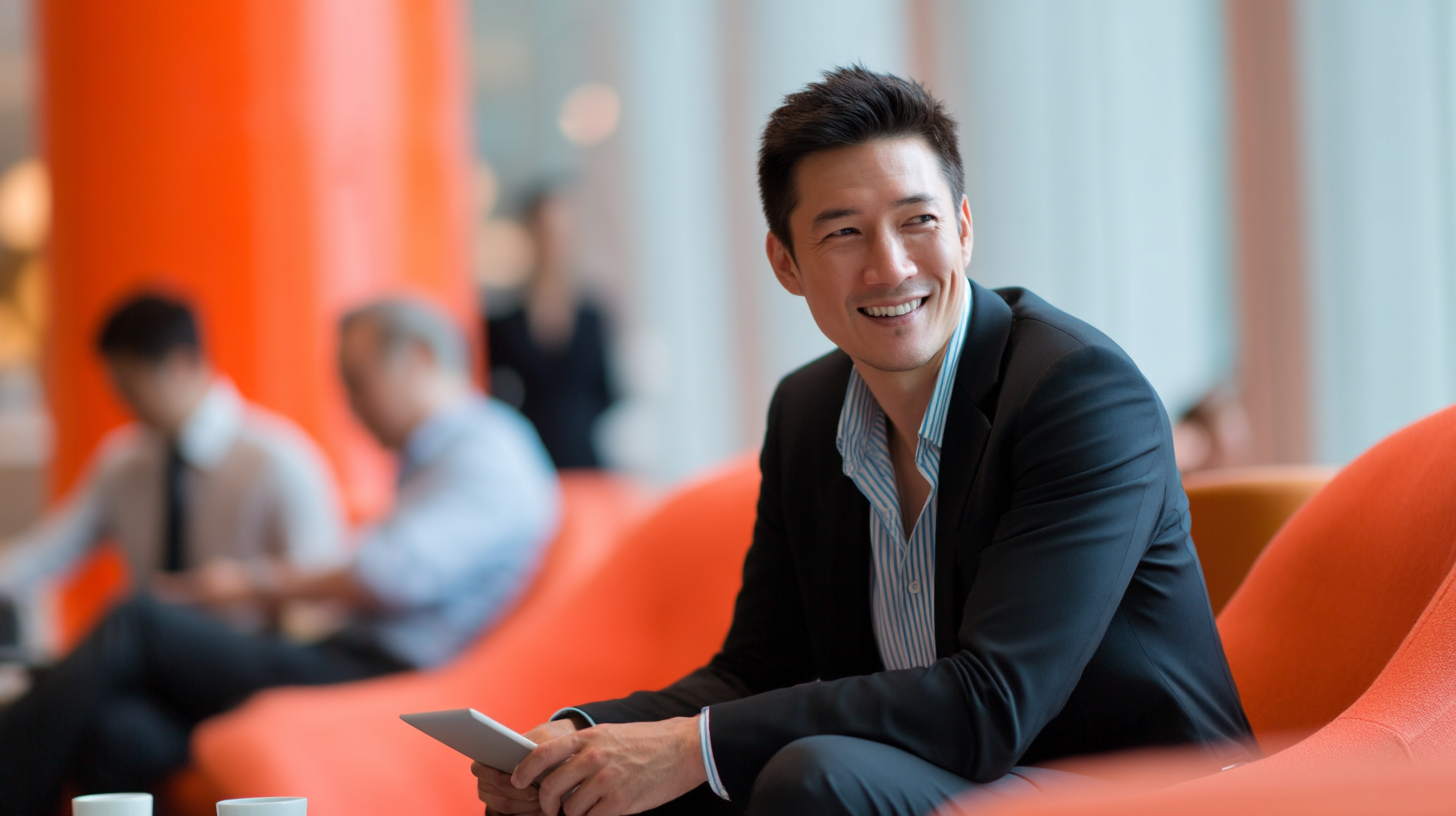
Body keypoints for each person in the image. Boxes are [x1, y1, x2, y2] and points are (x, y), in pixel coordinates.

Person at [473, 67, 1255, 816]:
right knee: (581, 798)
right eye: (844, 232)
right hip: (955, 776)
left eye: (918, 221)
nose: (891, 267)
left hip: (1138, 785)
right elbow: (756, 672)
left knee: (814, 780)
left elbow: (995, 700)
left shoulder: (1077, 392)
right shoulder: (809, 412)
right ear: (787, 262)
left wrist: (686, 748)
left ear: (965, 229)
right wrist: (579, 739)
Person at [0, 297, 560, 816]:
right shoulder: (444, 459)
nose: (352, 405)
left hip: (383, 672)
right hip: (347, 654)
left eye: (357, 383)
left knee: (138, 622)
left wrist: (244, 585)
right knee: (117, 731)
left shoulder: (487, 450)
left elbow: (388, 572)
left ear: (417, 358)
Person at [0, 293, 345, 655]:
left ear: (181, 364)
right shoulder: (124, 463)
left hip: (247, 664)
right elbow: (49, 551)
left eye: (131, 385)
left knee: (131, 621)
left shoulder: (278, 462)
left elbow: (321, 601)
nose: (122, 402)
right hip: (155, 669)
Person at [486, 186, 614, 468]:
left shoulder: (592, 316)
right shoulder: (504, 324)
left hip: (584, 459)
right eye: (547, 229)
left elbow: (608, 392)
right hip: (528, 458)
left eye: (563, 231)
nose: (555, 241)